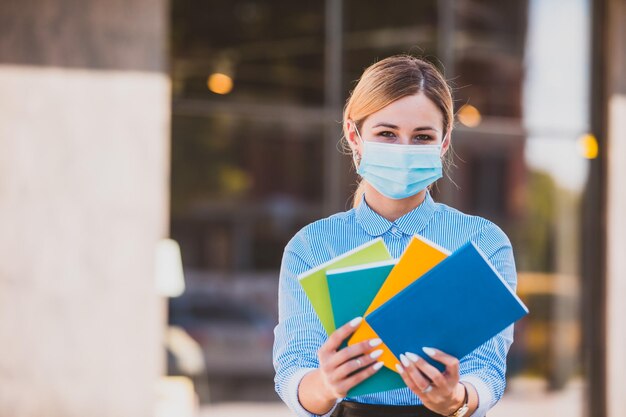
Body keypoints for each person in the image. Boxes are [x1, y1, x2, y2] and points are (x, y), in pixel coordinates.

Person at [273, 55, 518, 417]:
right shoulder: (312, 246)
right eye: (387, 133)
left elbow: (488, 369)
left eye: (422, 137)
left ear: (444, 142)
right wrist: (325, 384)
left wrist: (457, 399)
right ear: (354, 135)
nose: (403, 149)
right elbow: (294, 368)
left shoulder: (482, 242)